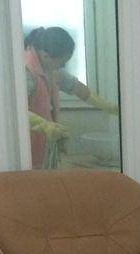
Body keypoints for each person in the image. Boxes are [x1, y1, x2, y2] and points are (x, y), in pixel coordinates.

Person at [23, 26, 119, 169]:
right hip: (20, 143)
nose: (64, 65)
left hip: (41, 141)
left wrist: (108, 107)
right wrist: (45, 125)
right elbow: (15, 111)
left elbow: (78, 89)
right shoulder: (26, 71)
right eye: (62, 61)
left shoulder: (52, 68)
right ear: (46, 55)